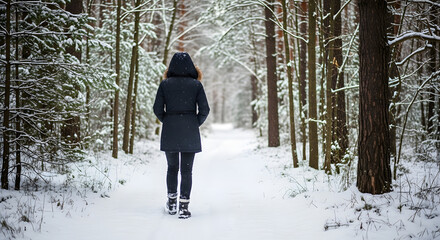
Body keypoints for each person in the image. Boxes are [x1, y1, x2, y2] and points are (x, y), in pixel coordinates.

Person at [153, 52, 210, 219]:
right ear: (191, 66)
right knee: (187, 171)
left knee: (172, 168)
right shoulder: (196, 85)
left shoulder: (165, 84)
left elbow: (157, 109)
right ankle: (184, 207)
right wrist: (193, 123)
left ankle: (171, 204)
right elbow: (205, 110)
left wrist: (168, 121)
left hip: (170, 130)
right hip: (189, 131)